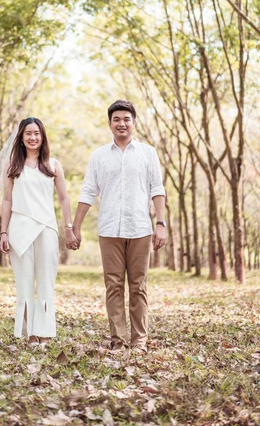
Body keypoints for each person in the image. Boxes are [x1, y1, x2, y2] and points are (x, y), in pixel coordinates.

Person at [69, 100, 167, 352]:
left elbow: (157, 189)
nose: (121, 123)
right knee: (113, 287)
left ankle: (140, 341)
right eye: (116, 119)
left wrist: (160, 223)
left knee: (138, 287)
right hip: (109, 229)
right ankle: (118, 340)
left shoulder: (148, 153)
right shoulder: (99, 156)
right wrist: (75, 227)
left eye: (126, 119)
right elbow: (88, 192)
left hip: (140, 229)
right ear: (109, 124)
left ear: (134, 122)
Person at [0, 117, 77, 345]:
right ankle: (31, 333)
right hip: (19, 229)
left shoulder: (53, 165)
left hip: (46, 229)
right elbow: (6, 199)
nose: (33, 138)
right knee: (24, 283)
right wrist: (4, 232)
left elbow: (63, 198)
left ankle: (44, 333)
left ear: (42, 137)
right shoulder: (12, 165)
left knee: (45, 282)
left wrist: (68, 227)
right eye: (28, 134)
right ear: (21, 138)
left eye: (37, 133)